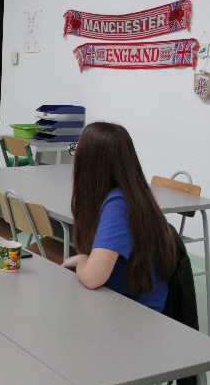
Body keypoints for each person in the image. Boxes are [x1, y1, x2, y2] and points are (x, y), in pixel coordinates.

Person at [62, 122, 177, 312]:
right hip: (122, 302)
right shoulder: (129, 195)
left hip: (137, 314)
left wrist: (81, 260)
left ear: (90, 163)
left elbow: (92, 278)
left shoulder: (118, 204)